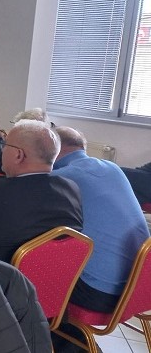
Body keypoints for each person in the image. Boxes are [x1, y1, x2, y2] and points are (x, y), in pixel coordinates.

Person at [52, 126, 149, 313]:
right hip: (140, 287)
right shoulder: (112, 168)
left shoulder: (63, 177)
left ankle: (48, 327)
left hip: (102, 294)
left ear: (55, 148)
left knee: (30, 269)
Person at [0, 120, 83, 262]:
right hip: (54, 274)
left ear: (18, 155)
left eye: (5, 145)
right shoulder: (71, 189)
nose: (2, 150)